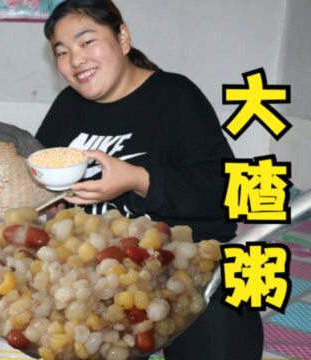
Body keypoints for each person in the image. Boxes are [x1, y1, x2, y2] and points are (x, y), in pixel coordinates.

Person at [35, 0, 263, 359]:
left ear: (122, 38)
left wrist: (138, 180)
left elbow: (222, 192)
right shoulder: (67, 107)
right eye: (61, 52)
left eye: (86, 41)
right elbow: (40, 180)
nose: (75, 59)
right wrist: (52, 203)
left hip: (190, 264)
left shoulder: (175, 96)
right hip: (101, 270)